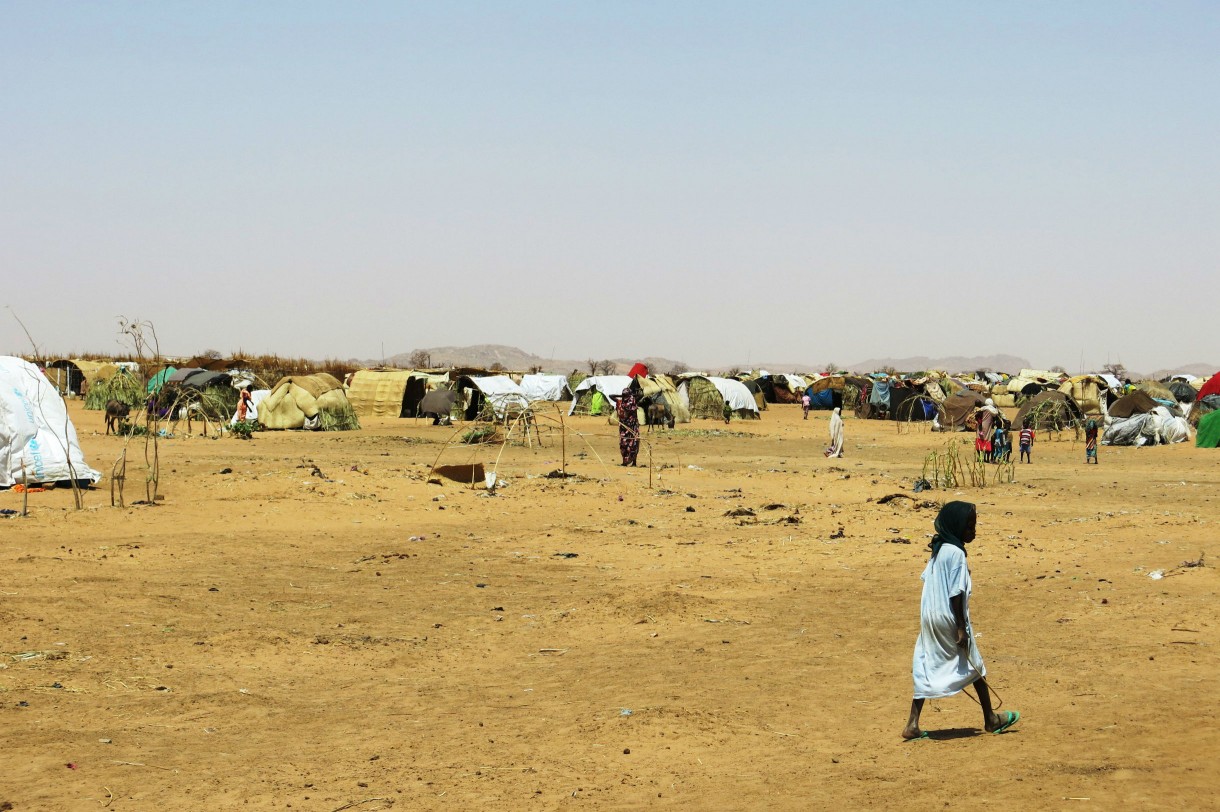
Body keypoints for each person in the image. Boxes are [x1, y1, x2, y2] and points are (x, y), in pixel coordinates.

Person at [902, 501, 1020, 740]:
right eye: (968, 526)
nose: (973, 531)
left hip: (929, 616)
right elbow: (956, 593)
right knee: (974, 664)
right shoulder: (955, 553)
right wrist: (960, 628)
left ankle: (913, 723)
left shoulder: (940, 549)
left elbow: (931, 581)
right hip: (949, 617)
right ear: (956, 526)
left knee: (926, 664)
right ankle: (991, 718)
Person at [616, 386, 640, 466]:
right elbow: (610, 396)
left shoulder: (632, 402)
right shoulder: (621, 402)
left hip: (632, 427)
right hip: (624, 427)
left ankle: (634, 462)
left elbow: (641, 394)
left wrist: (631, 396)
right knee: (625, 443)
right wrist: (624, 396)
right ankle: (625, 461)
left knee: (633, 443)